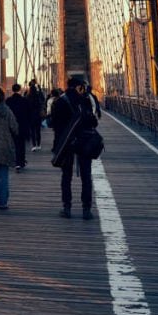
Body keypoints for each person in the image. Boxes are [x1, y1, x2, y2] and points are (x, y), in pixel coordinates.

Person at [50, 76, 101, 220]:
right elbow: (93, 122)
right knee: (86, 176)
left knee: (66, 176)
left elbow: (54, 123)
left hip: (66, 143)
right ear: (79, 87)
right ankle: (86, 209)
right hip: (84, 142)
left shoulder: (60, 101)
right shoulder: (83, 100)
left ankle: (67, 208)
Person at [4, 83, 33, 171]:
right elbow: (29, 114)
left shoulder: (8, 101)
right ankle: (21, 161)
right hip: (22, 125)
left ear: (12, 90)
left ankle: (16, 162)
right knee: (21, 144)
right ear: (20, 90)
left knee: (14, 144)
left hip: (11, 126)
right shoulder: (24, 101)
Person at [27, 79, 45, 151]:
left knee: (32, 131)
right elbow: (43, 100)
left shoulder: (28, 97)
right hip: (38, 115)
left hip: (31, 116)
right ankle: (39, 144)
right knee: (38, 131)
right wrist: (40, 89)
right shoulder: (38, 96)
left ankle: (34, 145)